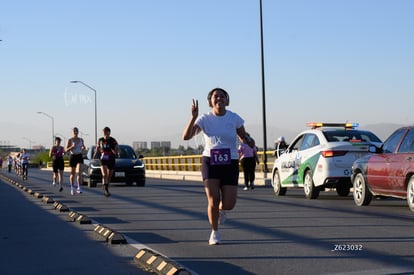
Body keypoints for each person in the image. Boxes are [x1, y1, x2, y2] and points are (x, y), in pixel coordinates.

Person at [182, 87, 253, 245]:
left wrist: (248, 140)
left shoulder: (234, 118)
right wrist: (193, 117)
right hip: (210, 161)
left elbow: (243, 135)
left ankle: (222, 210)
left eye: (222, 96)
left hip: (230, 162)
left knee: (229, 203)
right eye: (216, 96)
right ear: (210, 101)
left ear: (227, 100)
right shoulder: (205, 118)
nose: (219, 99)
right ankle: (214, 232)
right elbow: (186, 137)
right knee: (213, 200)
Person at [94, 127, 120, 197]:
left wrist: (117, 152)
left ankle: (106, 185)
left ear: (109, 133)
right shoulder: (100, 140)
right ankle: (105, 189)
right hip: (103, 158)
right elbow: (97, 148)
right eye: (103, 132)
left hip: (111, 158)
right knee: (104, 174)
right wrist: (94, 155)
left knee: (109, 175)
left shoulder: (113, 140)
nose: (105, 134)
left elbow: (117, 147)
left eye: (106, 132)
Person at [66, 127, 85, 195]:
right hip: (73, 156)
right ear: (72, 132)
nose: (75, 132)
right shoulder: (70, 140)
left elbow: (83, 147)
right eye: (74, 131)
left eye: (76, 131)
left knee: (79, 172)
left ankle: (79, 187)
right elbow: (66, 150)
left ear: (78, 132)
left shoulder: (81, 139)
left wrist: (83, 147)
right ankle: (72, 187)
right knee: (72, 173)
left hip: (79, 156)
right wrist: (72, 147)